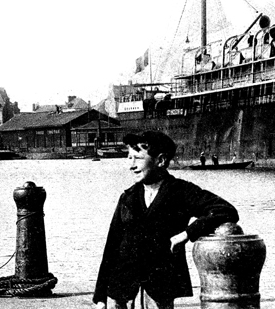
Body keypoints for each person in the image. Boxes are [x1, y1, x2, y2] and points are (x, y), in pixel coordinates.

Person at [93, 130, 238, 309]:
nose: (131, 165)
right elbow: (112, 246)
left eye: (137, 158)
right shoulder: (127, 197)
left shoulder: (181, 192)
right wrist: (100, 296)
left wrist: (187, 234)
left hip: (159, 287)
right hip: (121, 289)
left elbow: (225, 210)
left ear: (160, 160)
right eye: (129, 158)